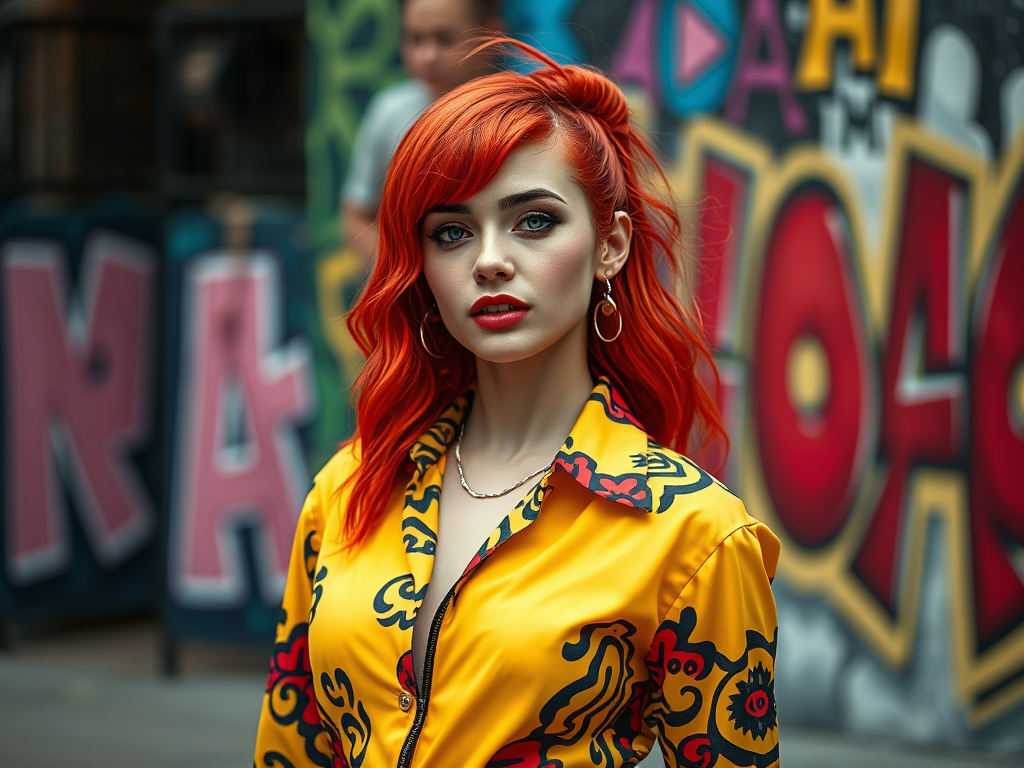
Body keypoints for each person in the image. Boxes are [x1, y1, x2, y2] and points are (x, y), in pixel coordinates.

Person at [255, 37, 780, 768]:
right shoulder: (346, 491)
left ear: (611, 246)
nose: (490, 258)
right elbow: (291, 748)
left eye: (534, 220)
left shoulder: (692, 535)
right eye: (451, 232)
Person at [341, 0, 503, 262]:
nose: (426, 56)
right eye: (414, 39)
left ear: (492, 35)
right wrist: (401, 271)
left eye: (445, 39)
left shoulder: (523, 111)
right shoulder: (389, 111)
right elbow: (356, 215)